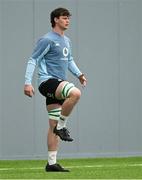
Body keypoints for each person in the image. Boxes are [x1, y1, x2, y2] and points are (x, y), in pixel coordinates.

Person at [24, 7, 87, 172]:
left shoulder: (67, 41)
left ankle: (51, 163)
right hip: (48, 82)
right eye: (64, 17)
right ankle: (62, 125)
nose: (67, 20)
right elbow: (33, 60)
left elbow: (70, 59)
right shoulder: (47, 40)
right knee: (75, 93)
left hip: (58, 84)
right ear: (55, 20)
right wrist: (27, 82)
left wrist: (79, 74)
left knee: (52, 124)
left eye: (68, 18)